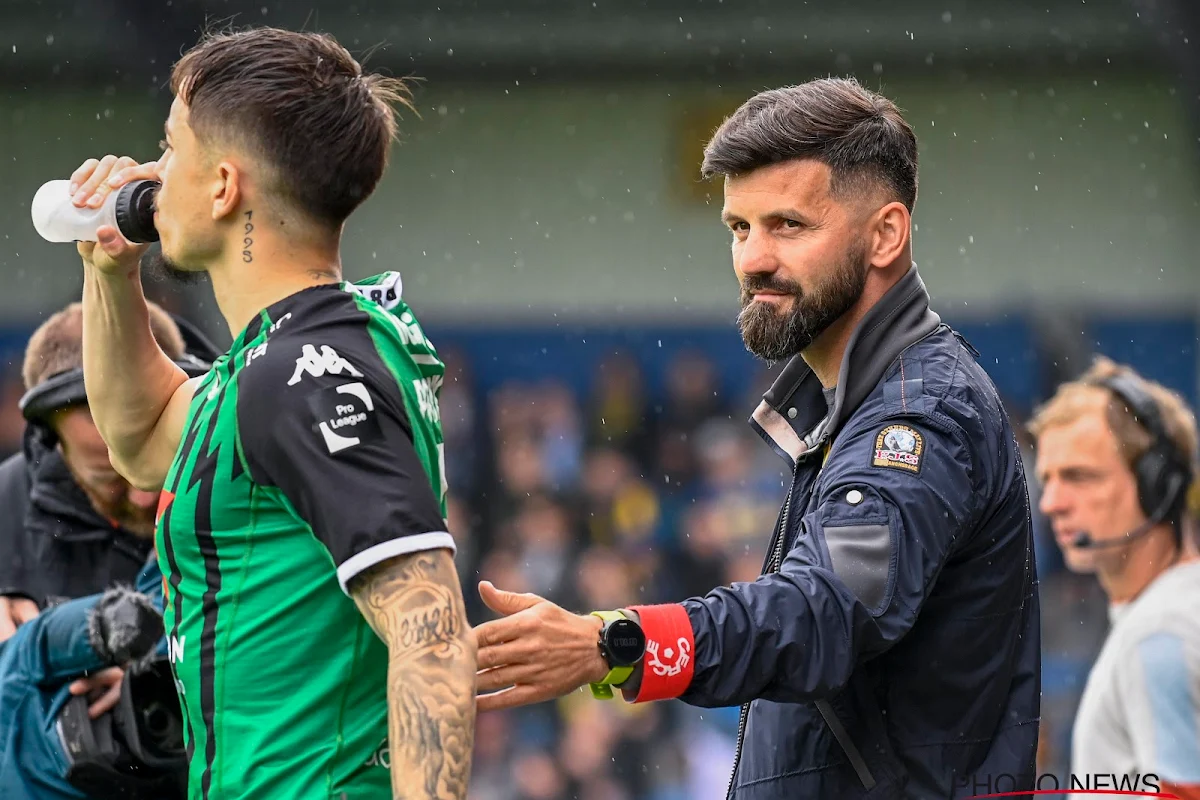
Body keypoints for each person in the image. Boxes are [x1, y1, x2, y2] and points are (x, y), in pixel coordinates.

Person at [471, 76, 1041, 799]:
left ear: (886, 235)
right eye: (740, 228)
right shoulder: (858, 403)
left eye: (788, 226)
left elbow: (822, 613)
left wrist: (611, 642)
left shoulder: (917, 415)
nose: (752, 260)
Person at [66, 25, 476, 800]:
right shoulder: (281, 358)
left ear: (223, 187)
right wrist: (111, 273)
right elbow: (143, 438)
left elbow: (431, 631)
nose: (154, 172)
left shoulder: (298, 375)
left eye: (171, 146)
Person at [1030, 357, 1200, 799]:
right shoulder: (1164, 617)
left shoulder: (1160, 633)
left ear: (1156, 483)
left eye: (1079, 477)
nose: (1051, 502)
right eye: (1047, 479)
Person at [0, 300, 214, 640]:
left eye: (163, 463)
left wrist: (148, 677)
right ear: (54, 440)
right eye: (108, 477)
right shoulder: (6, 505)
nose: (145, 498)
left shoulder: (237, 483)